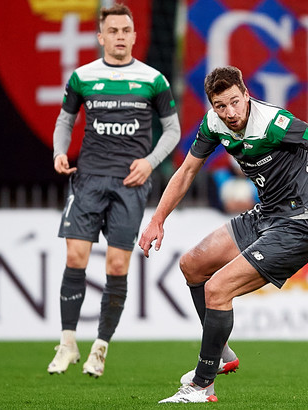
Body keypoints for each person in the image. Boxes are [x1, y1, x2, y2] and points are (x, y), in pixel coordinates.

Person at [138, 65, 308, 403]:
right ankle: (222, 356)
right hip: (266, 215)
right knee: (192, 265)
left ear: (246, 93)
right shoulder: (214, 124)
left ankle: (200, 385)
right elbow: (186, 173)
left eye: (234, 102)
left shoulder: (274, 123)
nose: (230, 113)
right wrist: (157, 220)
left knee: (217, 288)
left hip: (300, 224)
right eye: (220, 106)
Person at [47, 3, 180, 378]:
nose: (120, 37)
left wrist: (150, 162)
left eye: (126, 30)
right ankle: (68, 343)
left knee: (117, 264)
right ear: (101, 36)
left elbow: (173, 131)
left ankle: (101, 347)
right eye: (114, 31)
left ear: (134, 36)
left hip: (130, 183)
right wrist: (60, 151)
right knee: (75, 256)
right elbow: (65, 120)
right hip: (88, 178)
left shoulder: (153, 80)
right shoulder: (83, 77)